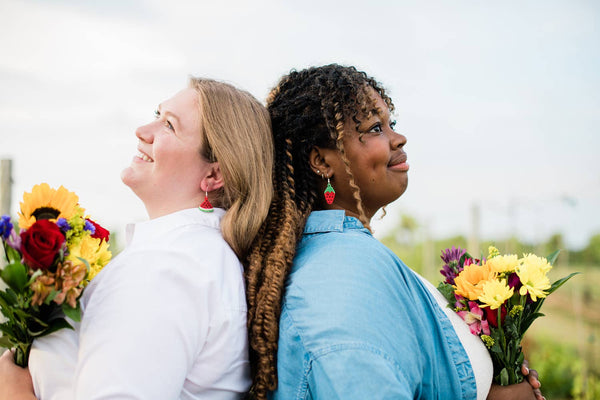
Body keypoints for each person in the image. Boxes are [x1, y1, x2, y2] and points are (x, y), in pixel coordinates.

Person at [245, 64, 544, 400]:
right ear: (321, 161)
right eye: (374, 128)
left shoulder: (351, 255)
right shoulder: (338, 280)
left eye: (392, 124)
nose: (398, 138)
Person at [0, 77, 274, 399]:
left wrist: (13, 391)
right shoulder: (201, 257)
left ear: (213, 175)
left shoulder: (166, 267)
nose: (143, 130)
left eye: (169, 125)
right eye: (156, 113)